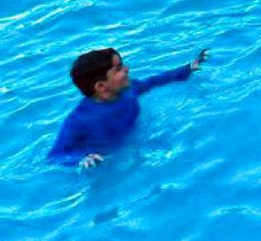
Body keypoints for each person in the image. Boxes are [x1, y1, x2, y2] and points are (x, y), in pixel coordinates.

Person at [48, 46, 208, 167]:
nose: (127, 69)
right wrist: (82, 159)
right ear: (101, 86)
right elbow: (56, 155)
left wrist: (187, 69)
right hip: (105, 161)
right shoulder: (79, 120)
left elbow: (154, 81)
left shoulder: (129, 89)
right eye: (118, 69)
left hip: (134, 142)